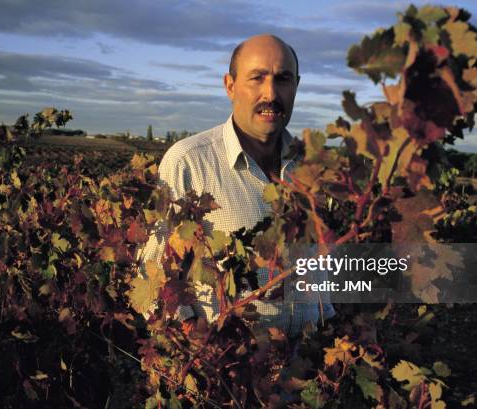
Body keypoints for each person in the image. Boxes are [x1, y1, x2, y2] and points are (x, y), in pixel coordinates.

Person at [139, 34, 334, 336]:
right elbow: (151, 276)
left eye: (283, 79)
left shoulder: (314, 167)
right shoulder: (188, 162)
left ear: (296, 85)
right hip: (230, 370)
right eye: (257, 78)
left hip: (312, 366)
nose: (270, 93)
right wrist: (202, 344)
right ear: (229, 85)